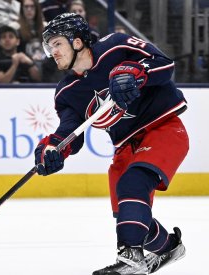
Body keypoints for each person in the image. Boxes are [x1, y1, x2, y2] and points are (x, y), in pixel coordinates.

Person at [35, 13, 188, 274]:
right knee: (129, 215)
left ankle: (131, 259)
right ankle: (170, 247)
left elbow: (164, 64)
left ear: (78, 42)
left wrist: (137, 73)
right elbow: (70, 132)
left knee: (133, 183)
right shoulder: (67, 91)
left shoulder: (116, 47)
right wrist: (50, 151)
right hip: (125, 148)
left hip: (163, 128)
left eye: (57, 43)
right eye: (50, 47)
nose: (53, 51)